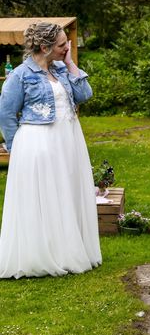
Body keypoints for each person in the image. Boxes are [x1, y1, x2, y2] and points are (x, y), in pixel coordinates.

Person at [0, 22, 102, 278]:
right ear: (44, 47)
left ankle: (68, 249)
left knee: (66, 193)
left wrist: (70, 63)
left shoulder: (61, 69)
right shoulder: (20, 75)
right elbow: (6, 113)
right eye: (61, 45)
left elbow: (85, 94)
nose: (67, 47)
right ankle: (45, 255)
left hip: (68, 139)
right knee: (46, 195)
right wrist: (17, 148)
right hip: (39, 141)